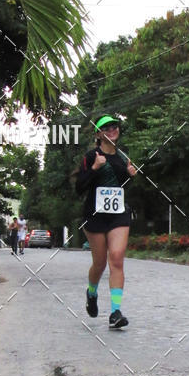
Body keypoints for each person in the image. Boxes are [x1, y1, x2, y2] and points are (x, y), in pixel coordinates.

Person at [75, 113, 138, 329]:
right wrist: (94, 169)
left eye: (115, 127)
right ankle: (91, 292)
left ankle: (115, 312)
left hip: (118, 214)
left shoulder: (122, 157)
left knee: (117, 258)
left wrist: (130, 175)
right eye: (107, 128)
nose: (113, 130)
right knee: (100, 263)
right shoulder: (91, 156)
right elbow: (79, 187)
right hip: (95, 215)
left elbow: (118, 188)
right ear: (99, 134)